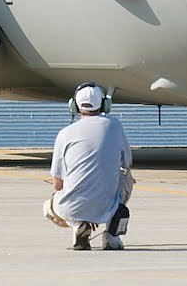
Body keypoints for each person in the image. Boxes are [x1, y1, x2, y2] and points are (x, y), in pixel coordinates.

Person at [45, 83, 133, 250]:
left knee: (48, 208)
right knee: (126, 176)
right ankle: (112, 236)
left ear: (74, 106)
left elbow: (58, 184)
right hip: (109, 204)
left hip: (73, 206)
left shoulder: (64, 134)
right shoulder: (114, 126)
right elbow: (126, 162)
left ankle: (78, 225)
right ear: (105, 105)